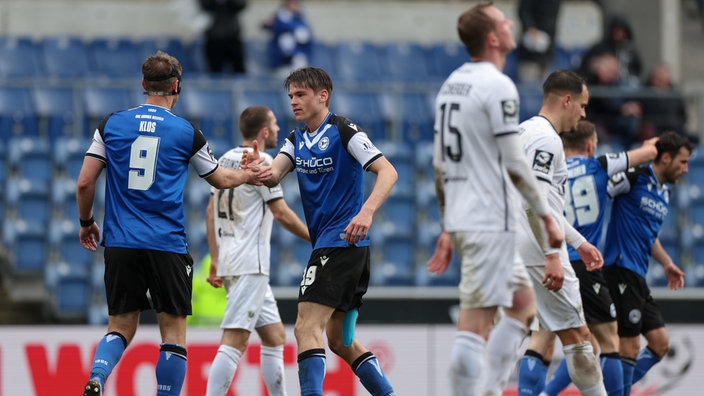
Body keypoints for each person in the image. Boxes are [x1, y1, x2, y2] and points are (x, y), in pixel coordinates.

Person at [77, 51, 270, 396]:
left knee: (120, 326)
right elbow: (220, 179)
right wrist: (248, 174)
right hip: (166, 244)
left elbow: (84, 182)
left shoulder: (111, 124)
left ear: (143, 85)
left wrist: (86, 221)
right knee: (174, 333)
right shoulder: (185, 132)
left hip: (120, 243)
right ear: (176, 86)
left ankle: (97, 377)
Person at [425, 4, 564, 395]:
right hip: (488, 219)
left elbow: (439, 165)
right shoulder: (497, 85)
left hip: (469, 217)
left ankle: (487, 390)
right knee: (474, 324)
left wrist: (448, 224)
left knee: (522, 308)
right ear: (492, 38)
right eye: (504, 21)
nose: (510, 25)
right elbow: (515, 161)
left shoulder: (451, 84)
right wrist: (545, 214)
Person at [242, 66, 397, 396]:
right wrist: (257, 168)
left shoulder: (344, 130)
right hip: (335, 246)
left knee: (305, 326)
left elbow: (388, 172)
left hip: (341, 241)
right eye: (291, 97)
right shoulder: (296, 139)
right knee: (340, 340)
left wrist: (366, 212)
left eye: (301, 95)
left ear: (323, 96)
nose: (294, 103)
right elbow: (273, 175)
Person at [539, 120, 658, 396]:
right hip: (583, 263)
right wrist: (652, 146)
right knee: (608, 341)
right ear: (591, 145)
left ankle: (543, 394)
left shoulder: (549, 172)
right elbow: (647, 155)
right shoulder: (600, 164)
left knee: (566, 342)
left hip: (551, 261)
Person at [204, 105, 310, 396]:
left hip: (232, 259)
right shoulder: (262, 161)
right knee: (235, 340)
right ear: (264, 132)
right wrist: (315, 237)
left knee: (275, 336)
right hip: (250, 262)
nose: (277, 129)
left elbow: (211, 209)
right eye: (274, 125)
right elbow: (281, 213)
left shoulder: (225, 158)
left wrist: (215, 257)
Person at [514, 69, 607, 396]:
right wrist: (554, 255)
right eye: (581, 105)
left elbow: (545, 205)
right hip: (540, 251)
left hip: (518, 247)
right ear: (566, 100)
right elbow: (535, 203)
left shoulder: (523, 131)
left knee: (540, 335)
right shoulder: (547, 140)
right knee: (580, 340)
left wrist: (578, 243)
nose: (583, 113)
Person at [603, 131, 691, 394]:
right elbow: (600, 187)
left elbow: (649, 235)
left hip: (638, 274)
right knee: (626, 347)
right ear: (665, 158)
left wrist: (666, 263)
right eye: (682, 162)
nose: (686, 169)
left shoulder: (664, 192)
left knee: (660, 343)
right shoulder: (636, 177)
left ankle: (611, 389)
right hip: (619, 269)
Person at [261, 0, 313, 77]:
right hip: (282, 63)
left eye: (296, 3)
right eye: (291, 3)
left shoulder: (301, 21)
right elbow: (265, 25)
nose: (294, 5)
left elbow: (305, 41)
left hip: (298, 62)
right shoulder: (279, 18)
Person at [516, 0, 561, 82]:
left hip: (548, 49)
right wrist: (530, 28)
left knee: (548, 86)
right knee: (528, 86)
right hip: (530, 50)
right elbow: (523, 11)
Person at [199, 0, 247, 74]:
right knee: (215, 72)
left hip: (232, 38)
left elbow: (241, 5)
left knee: (238, 70)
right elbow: (204, 6)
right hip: (213, 38)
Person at [189, 253, 227, 327]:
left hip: (200, 323)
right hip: (223, 321)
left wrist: (187, 325)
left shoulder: (197, 279)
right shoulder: (230, 280)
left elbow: (190, 302)